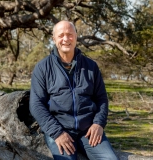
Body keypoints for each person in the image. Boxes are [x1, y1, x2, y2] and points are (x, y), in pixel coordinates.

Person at [29, 20, 118, 160]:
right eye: (61, 35)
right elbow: (36, 105)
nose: (66, 39)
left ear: (76, 37)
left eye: (70, 35)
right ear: (54, 38)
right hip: (59, 128)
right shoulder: (43, 68)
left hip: (88, 131)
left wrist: (98, 123)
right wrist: (57, 133)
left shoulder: (91, 66)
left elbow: (101, 99)